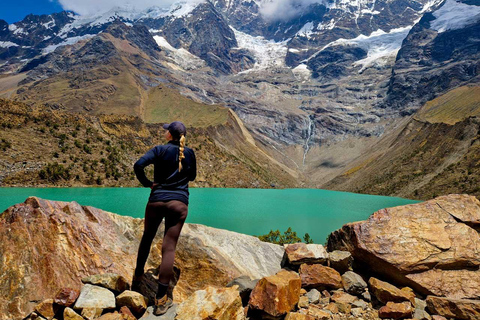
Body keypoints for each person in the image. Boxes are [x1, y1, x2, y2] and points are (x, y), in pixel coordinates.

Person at [132, 121, 196, 316]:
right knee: (169, 247)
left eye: (167, 130)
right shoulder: (190, 153)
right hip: (179, 203)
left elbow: (138, 165)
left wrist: (148, 184)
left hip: (157, 200)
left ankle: (136, 281)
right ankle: (161, 301)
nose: (165, 132)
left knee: (147, 237)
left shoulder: (159, 150)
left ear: (170, 134)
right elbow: (192, 177)